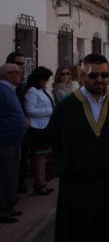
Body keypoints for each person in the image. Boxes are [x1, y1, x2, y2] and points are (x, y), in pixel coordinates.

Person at [49, 53, 109, 242]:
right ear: (82, 76)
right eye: (93, 75)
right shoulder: (66, 106)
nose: (100, 80)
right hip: (78, 186)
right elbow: (55, 140)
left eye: (104, 75)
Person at [0, 63, 27, 223]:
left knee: (12, 176)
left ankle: (9, 207)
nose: (19, 74)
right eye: (15, 72)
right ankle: (4, 211)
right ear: (5, 75)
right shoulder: (2, 91)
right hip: (6, 141)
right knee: (6, 177)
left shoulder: (10, 90)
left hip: (14, 140)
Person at [24, 66, 55, 195]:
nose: (46, 82)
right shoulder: (32, 91)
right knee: (39, 157)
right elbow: (30, 110)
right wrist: (49, 112)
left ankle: (42, 182)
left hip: (45, 126)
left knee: (43, 157)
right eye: (44, 79)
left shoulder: (42, 91)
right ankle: (39, 183)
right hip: (37, 127)